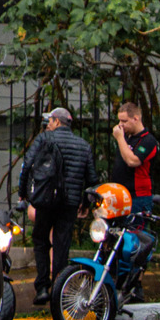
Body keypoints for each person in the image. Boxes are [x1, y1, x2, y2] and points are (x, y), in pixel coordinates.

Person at [18, 108, 97, 305]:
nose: (48, 125)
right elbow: (92, 181)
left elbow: (27, 165)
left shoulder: (45, 139)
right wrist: (85, 203)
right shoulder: (83, 145)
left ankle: (42, 286)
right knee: (62, 245)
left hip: (45, 200)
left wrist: (24, 194)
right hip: (69, 203)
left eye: (50, 121)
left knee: (41, 240)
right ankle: (60, 291)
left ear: (56, 121)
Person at [111, 102, 158, 215]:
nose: (120, 125)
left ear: (136, 119)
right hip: (121, 194)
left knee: (135, 230)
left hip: (138, 196)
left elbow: (132, 161)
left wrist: (120, 139)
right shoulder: (126, 137)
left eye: (124, 121)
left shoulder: (147, 140)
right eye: (119, 121)